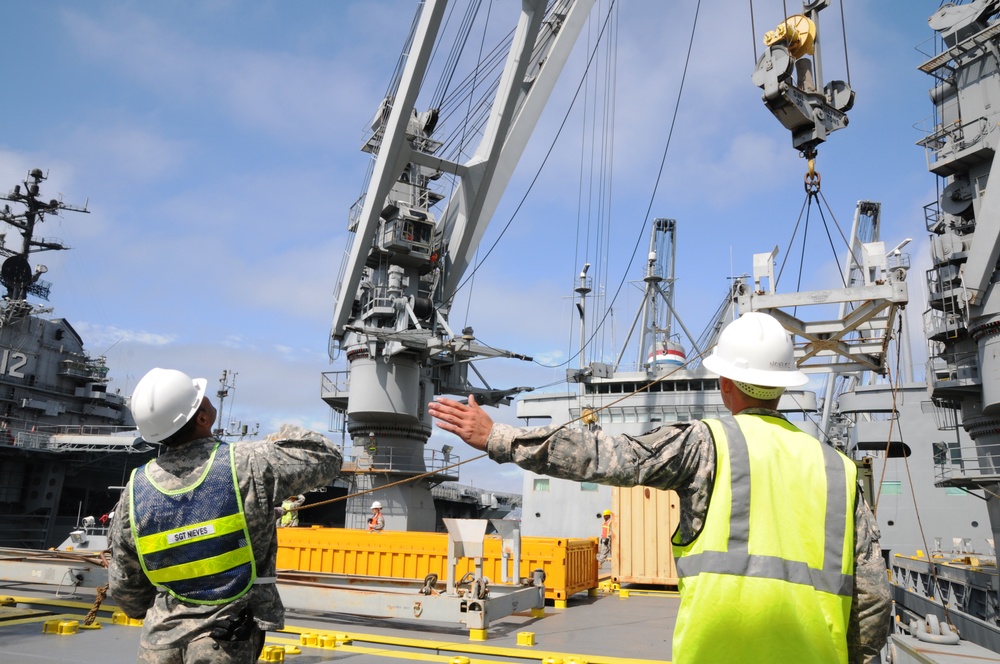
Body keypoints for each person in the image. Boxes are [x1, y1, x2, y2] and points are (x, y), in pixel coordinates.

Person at [428, 311, 892, 664]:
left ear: (725, 383)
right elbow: (873, 599)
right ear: (782, 386)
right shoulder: (839, 470)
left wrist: (498, 436)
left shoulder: (705, 445)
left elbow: (606, 456)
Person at [107, 368, 342, 664]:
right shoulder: (247, 462)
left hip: (159, 643)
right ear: (203, 418)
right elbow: (328, 457)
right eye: (199, 398)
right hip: (224, 641)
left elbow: (124, 584)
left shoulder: (135, 488)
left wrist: (158, 610)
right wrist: (280, 434)